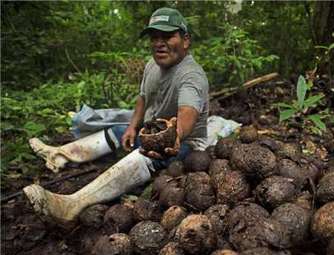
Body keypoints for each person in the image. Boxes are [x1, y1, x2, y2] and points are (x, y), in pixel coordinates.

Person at [23, 7, 209, 226]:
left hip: (184, 144)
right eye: (154, 37)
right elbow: (142, 97)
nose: (159, 43)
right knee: (117, 131)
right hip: (154, 130)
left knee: (147, 152)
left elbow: (188, 113)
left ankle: (72, 204)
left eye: (168, 36)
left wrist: (175, 136)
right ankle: (59, 155)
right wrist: (132, 127)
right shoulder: (153, 64)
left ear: (185, 40)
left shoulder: (191, 75)